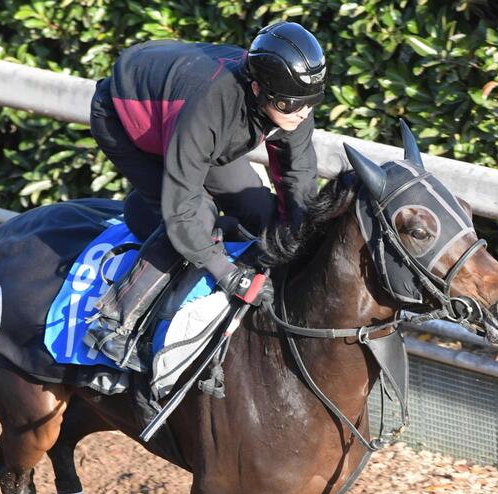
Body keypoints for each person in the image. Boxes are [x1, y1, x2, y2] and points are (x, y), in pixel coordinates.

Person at [86, 22, 326, 370]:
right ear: (257, 88)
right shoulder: (212, 106)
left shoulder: (290, 97)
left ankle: (161, 215)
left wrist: (305, 240)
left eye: (310, 103)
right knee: (198, 214)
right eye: (290, 105)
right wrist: (228, 275)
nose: (302, 113)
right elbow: (183, 209)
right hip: (125, 120)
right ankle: (112, 323)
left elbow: (297, 176)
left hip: (191, 129)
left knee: (260, 210)